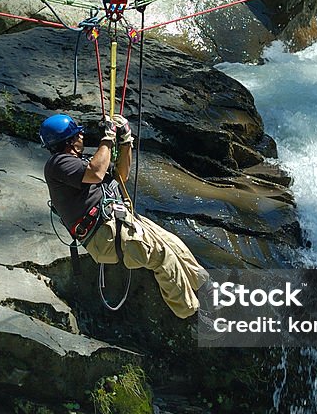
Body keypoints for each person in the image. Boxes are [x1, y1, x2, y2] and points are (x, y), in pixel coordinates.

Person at [40, 113, 208, 318]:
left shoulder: (79, 162)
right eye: (78, 134)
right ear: (69, 141)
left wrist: (125, 138)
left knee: (173, 243)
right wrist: (107, 139)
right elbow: (96, 173)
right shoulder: (58, 164)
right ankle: (190, 312)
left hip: (115, 221)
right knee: (162, 255)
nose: (82, 135)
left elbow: (121, 175)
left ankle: (204, 288)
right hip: (104, 234)